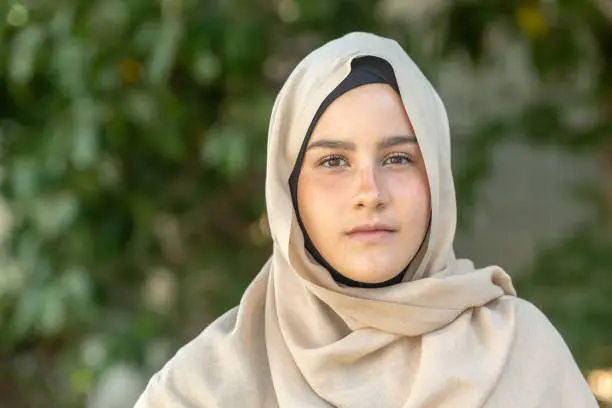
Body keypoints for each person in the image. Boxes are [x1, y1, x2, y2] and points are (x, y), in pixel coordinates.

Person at [135, 32, 598, 407]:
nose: (370, 194)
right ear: (289, 191)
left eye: (397, 158)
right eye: (333, 162)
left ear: (436, 177)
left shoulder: (521, 355)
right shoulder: (199, 391)